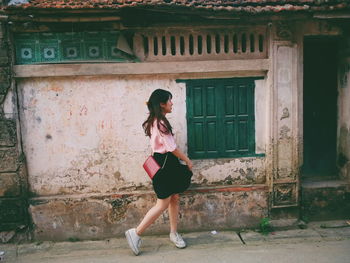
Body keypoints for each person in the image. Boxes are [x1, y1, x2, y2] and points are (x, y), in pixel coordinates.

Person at [125, 89, 193, 256]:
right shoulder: (160, 122)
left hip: (165, 162)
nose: (172, 103)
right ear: (162, 104)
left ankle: (173, 233)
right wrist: (187, 160)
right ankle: (136, 232)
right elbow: (172, 147)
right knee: (162, 203)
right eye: (170, 100)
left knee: (174, 198)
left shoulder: (156, 121)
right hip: (166, 163)